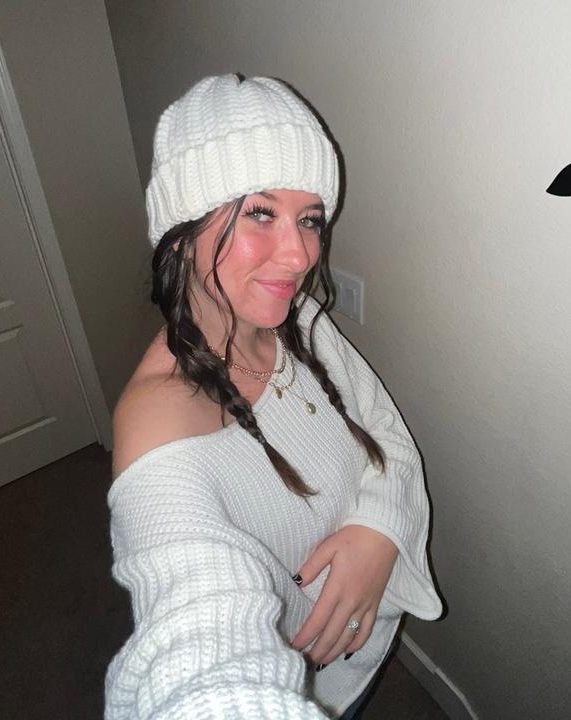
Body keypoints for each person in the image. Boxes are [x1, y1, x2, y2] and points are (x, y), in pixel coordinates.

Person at [105, 74, 442, 720]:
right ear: (182, 229)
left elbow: (386, 431)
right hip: (311, 691)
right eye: (261, 213)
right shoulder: (156, 426)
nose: (298, 255)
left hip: (370, 643)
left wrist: (379, 533)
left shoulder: (300, 320)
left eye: (309, 220)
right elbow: (194, 629)